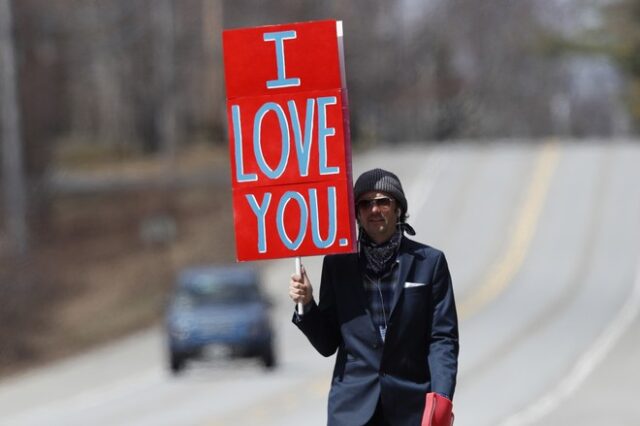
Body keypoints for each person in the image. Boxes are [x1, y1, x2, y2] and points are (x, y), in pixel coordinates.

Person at [289, 168, 459, 426]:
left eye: (383, 202)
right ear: (356, 213)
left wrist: (442, 397)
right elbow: (327, 344)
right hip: (352, 409)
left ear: (398, 208)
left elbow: (442, 339)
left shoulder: (429, 262)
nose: (374, 210)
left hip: (411, 407)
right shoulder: (337, 264)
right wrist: (307, 304)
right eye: (365, 203)